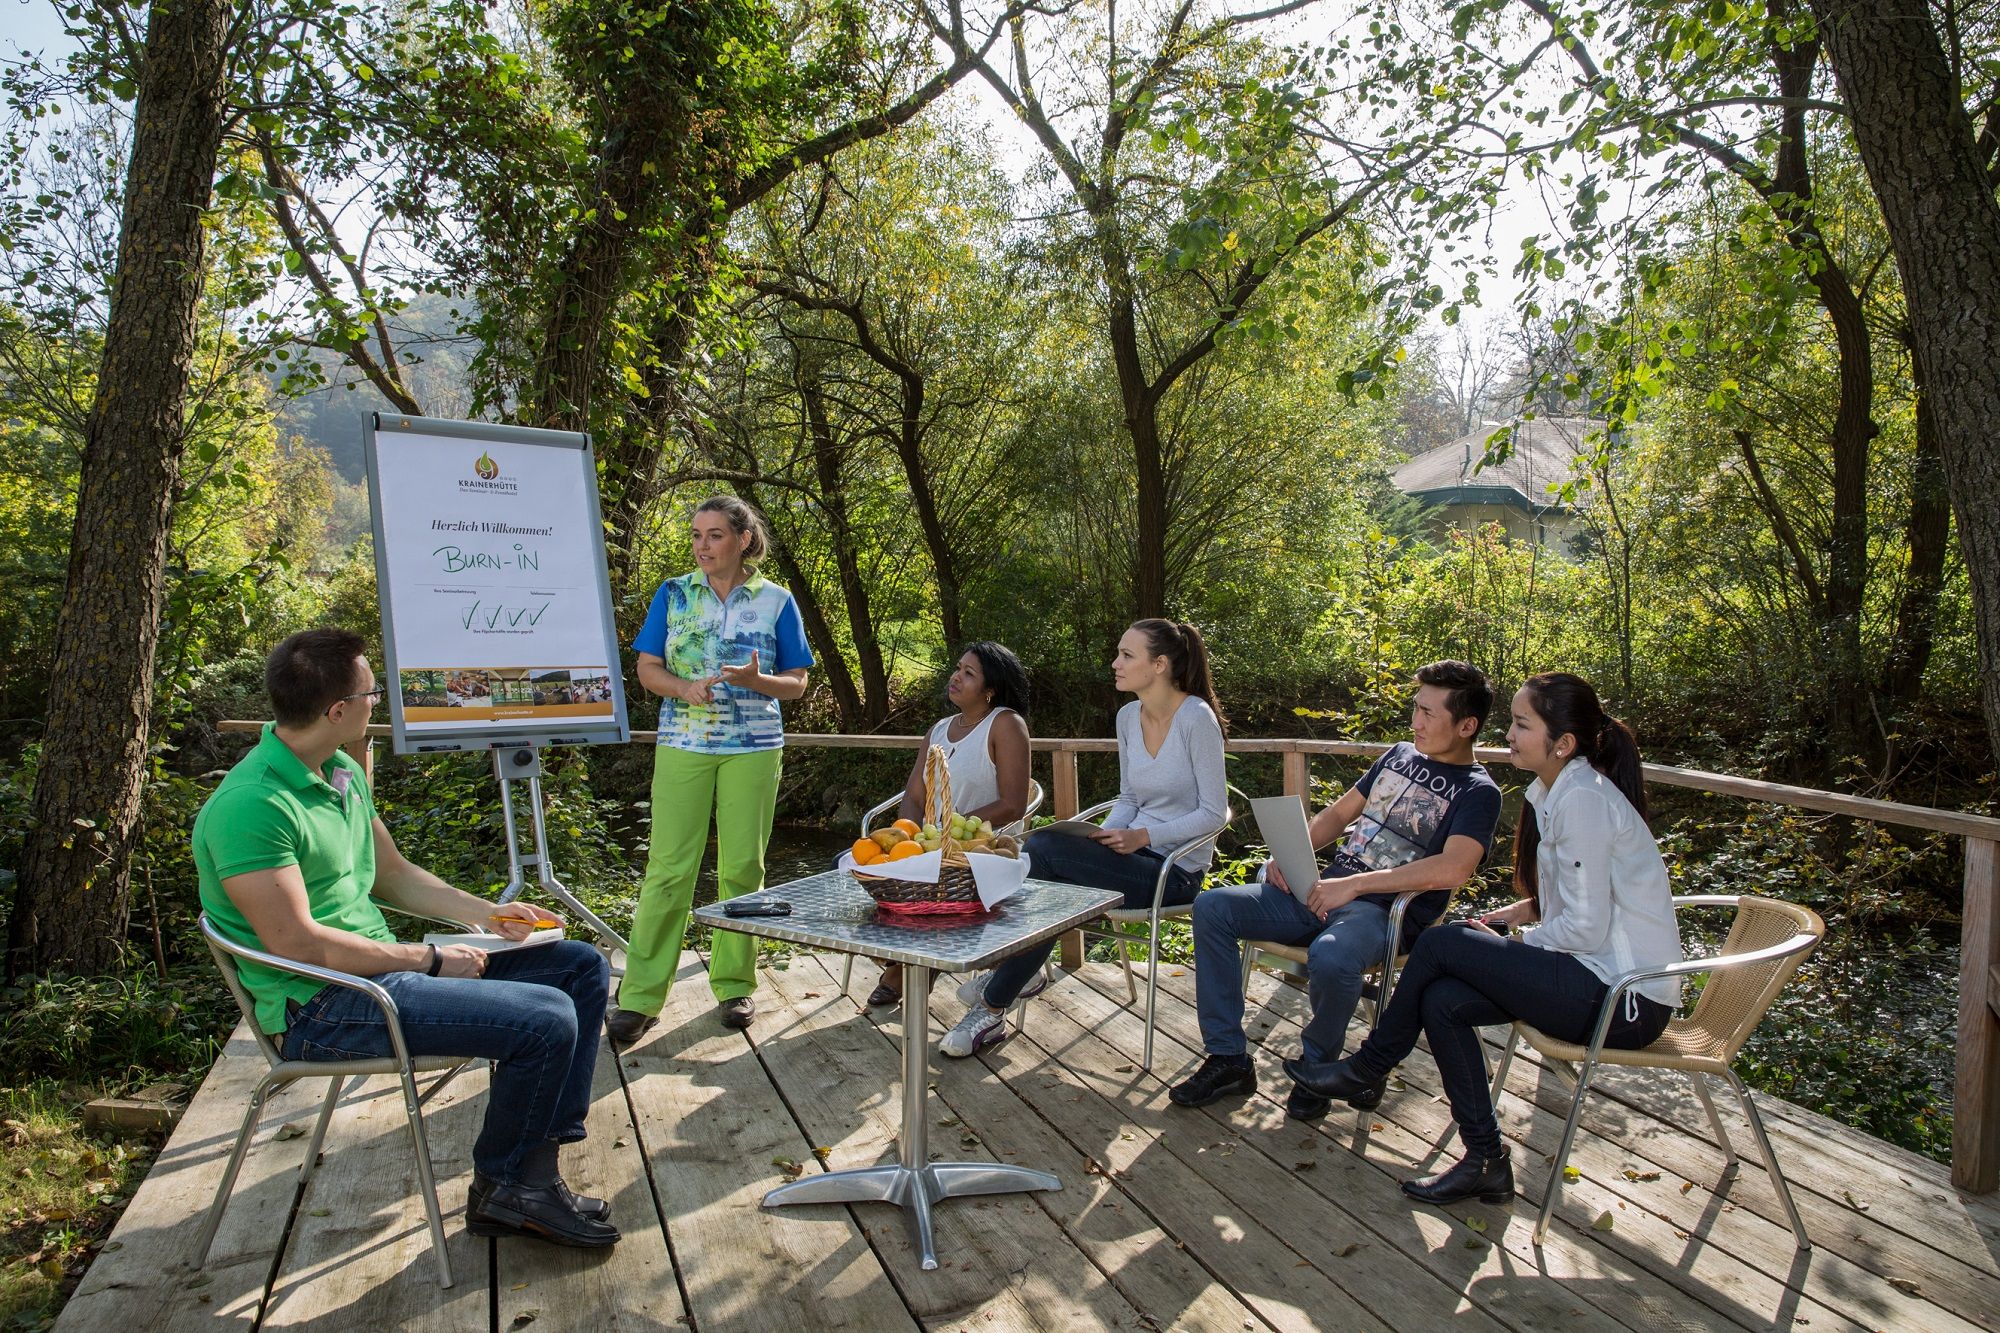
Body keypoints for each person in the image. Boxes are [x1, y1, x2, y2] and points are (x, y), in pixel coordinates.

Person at [193, 630, 617, 1248]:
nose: (380, 702)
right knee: (545, 1019)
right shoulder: (252, 806)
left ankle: (528, 1173)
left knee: (578, 967)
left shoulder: (337, 769)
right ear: (337, 711)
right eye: (372, 692)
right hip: (321, 1007)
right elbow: (300, 947)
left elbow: (390, 874)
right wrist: (431, 958)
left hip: (379, 977)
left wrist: (486, 915)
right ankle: (509, 1185)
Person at [1284, 672, 1683, 1206]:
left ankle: (1369, 1065)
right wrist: (1514, 917)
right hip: (1595, 979)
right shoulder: (1559, 791)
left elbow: (1586, 929)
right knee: (1442, 998)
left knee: (1442, 944)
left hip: (1626, 1000)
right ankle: (1486, 1160)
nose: (1509, 735)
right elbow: (1586, 901)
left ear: (1562, 743)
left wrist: (1517, 946)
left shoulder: (1584, 800)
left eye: (1521, 725)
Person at [1170, 661, 1502, 1120]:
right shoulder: (1399, 755)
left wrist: (1356, 886)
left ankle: (1318, 1067)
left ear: (1467, 725)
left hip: (1381, 913)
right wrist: (1289, 856)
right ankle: (1228, 1058)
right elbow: (1336, 817)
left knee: (1333, 956)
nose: (1416, 721)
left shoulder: (1478, 791)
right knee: (1212, 907)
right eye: (1416, 708)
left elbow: (1454, 867)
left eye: (1429, 713)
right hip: (1323, 891)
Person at [940, 619, 1229, 1059]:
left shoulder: (1196, 718)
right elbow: (1131, 796)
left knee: (1042, 851)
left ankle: (996, 996)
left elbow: (1214, 812)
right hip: (1129, 856)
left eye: (1127, 656)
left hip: (1174, 872)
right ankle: (1006, 991)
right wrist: (1104, 835)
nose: (1115, 663)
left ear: (1160, 664)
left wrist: (1142, 836)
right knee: (1043, 858)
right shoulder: (1128, 716)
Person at [606, 495, 814, 1045]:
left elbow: (797, 681)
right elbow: (648, 668)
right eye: (696, 535)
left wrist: (757, 682)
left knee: (744, 867)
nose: (702, 546)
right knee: (669, 868)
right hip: (684, 744)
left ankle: (734, 984)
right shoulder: (673, 593)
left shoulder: (776, 601)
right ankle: (641, 995)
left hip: (754, 747)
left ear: (743, 539)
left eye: (714, 535)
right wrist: (682, 687)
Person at [866, 642, 1034, 1008]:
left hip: (985, 848)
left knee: (932, 885)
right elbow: (913, 794)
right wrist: (904, 839)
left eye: (969, 673)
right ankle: (907, 962)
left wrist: (954, 832)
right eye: (958, 668)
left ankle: (907, 968)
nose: (956, 677)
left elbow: (1013, 804)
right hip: (931, 845)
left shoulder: (1004, 724)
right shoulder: (939, 729)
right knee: (853, 870)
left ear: (990, 690)